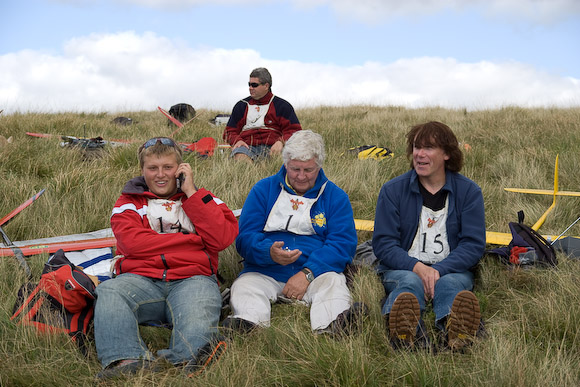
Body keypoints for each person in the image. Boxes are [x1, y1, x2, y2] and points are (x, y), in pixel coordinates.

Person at [94, 137, 238, 379]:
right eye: (153, 168)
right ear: (143, 170)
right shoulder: (128, 202)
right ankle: (127, 362)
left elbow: (222, 238)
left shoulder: (205, 199)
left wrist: (191, 193)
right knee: (110, 292)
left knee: (197, 332)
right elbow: (132, 244)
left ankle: (180, 361)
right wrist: (194, 241)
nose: (160, 175)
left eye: (168, 168)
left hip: (193, 280)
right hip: (141, 280)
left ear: (180, 169)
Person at [224, 130, 365, 335]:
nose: (300, 176)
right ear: (285, 163)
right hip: (265, 271)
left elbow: (342, 244)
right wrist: (267, 252)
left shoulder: (336, 196)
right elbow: (245, 237)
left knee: (334, 283)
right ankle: (249, 325)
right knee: (244, 286)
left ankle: (333, 327)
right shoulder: (263, 190)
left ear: (319, 165)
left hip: (316, 274)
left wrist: (308, 273)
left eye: (308, 170)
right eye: (295, 169)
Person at [372, 121, 485, 351]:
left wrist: (438, 271)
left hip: (451, 269)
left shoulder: (469, 192)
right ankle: (403, 332)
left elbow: (473, 245)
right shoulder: (392, 190)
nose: (419, 154)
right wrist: (417, 268)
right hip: (404, 268)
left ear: (446, 154)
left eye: (428, 148)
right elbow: (384, 244)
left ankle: (458, 331)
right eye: (416, 147)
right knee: (408, 284)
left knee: (450, 284)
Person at [223, 67, 302, 162]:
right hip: (247, 147)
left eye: (254, 85)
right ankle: (251, 173)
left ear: (266, 86)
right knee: (240, 158)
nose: (250, 88)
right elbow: (229, 131)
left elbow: (295, 131)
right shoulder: (241, 105)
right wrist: (237, 141)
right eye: (249, 84)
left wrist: (281, 142)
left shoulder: (282, 106)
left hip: (274, 148)